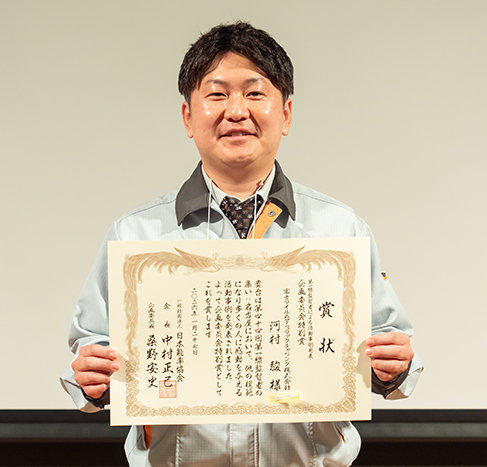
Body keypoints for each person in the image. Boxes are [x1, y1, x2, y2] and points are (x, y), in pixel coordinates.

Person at [61, 21, 422, 467]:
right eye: (216, 95)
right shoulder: (136, 234)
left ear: (286, 114)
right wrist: (91, 378)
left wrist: (393, 364)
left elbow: (390, 345)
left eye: (254, 93)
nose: (236, 111)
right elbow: (90, 350)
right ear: (188, 117)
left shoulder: (340, 228)